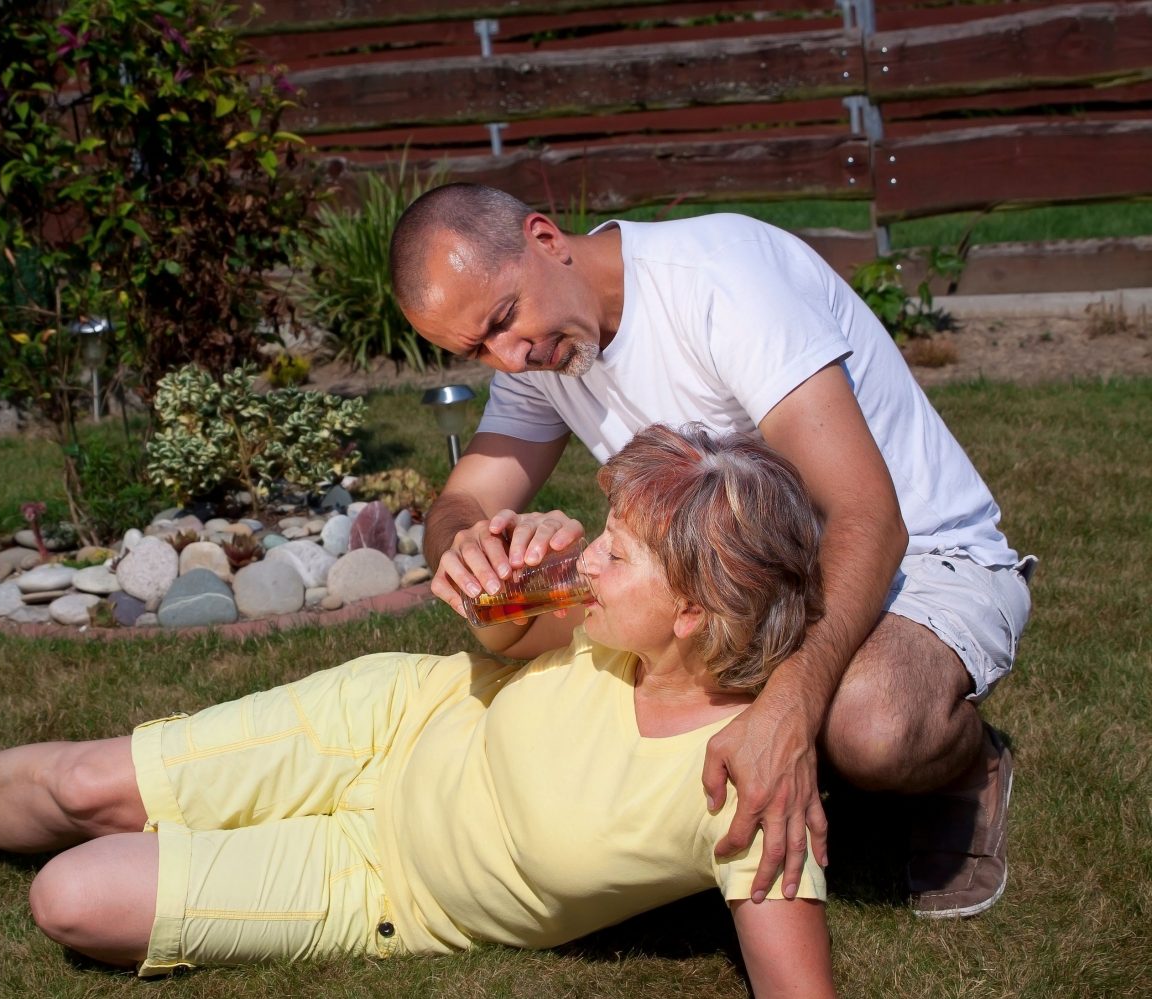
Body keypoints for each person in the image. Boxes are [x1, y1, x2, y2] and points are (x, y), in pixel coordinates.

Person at [0, 424, 836, 997]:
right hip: (388, 721)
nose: (590, 553)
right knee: (85, 787)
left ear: (694, 612)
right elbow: (497, 641)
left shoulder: (748, 785)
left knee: (72, 899)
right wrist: (506, 581)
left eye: (619, 551)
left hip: (385, 891)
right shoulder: (602, 625)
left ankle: (181, 832)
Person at [388, 183, 1036, 918]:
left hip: (917, 563)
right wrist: (463, 545)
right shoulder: (544, 351)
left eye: (504, 320)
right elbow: (465, 500)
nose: (510, 359)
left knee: (869, 727)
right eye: (478, 349)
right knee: (528, 609)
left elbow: (868, 519)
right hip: (750, 583)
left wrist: (792, 705)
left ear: (545, 239)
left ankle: (967, 766)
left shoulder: (719, 282)